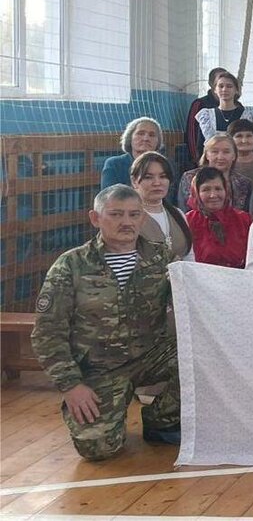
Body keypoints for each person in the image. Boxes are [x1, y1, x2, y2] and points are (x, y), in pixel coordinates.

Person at [32, 184, 182, 460]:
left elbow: (193, 300)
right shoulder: (71, 266)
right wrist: (71, 386)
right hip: (99, 369)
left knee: (202, 357)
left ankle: (162, 420)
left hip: (151, 355)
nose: (126, 222)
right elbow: (47, 333)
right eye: (115, 214)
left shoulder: (162, 258)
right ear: (95, 218)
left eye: (134, 215)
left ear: (142, 218)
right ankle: (109, 412)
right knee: (98, 448)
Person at [184, 166, 252, 269]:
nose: (213, 195)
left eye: (218, 189)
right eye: (206, 190)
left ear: (226, 190)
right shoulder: (188, 221)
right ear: (196, 192)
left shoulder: (244, 220)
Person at [131, 152, 193, 261]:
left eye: (163, 176)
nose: (157, 183)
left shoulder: (178, 214)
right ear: (134, 181)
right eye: (148, 177)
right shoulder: (128, 218)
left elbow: (189, 256)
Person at [177, 134, 253, 212]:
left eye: (226, 152)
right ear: (207, 155)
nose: (220, 157)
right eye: (215, 152)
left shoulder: (244, 183)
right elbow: (184, 211)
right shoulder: (189, 177)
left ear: (234, 155)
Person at [194, 72, 253, 152]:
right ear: (215, 90)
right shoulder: (206, 117)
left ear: (236, 90)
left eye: (229, 86)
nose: (224, 89)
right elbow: (200, 147)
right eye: (221, 86)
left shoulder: (248, 116)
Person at [102, 118, 166, 189]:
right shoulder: (114, 164)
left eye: (152, 135)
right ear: (129, 138)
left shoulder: (165, 165)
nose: (146, 138)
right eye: (140, 133)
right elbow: (108, 194)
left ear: (158, 141)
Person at [185, 67, 226, 164]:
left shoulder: (237, 107)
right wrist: (196, 158)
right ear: (211, 84)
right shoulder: (200, 104)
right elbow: (191, 133)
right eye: (219, 80)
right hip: (204, 159)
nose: (224, 86)